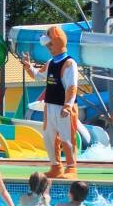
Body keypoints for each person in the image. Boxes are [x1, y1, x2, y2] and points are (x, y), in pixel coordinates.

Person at [19, 26, 78, 179]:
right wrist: (28, 66)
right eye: (47, 45)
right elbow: (39, 76)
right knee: (48, 138)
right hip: (50, 106)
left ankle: (71, 168)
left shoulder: (69, 63)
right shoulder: (51, 62)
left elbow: (72, 87)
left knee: (67, 138)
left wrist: (68, 106)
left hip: (64, 107)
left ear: (58, 42)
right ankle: (56, 167)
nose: (48, 47)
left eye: (51, 43)